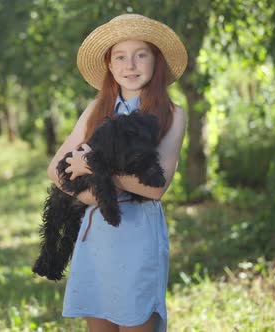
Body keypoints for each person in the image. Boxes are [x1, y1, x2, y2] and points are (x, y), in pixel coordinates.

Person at [46, 14, 187, 332]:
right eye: (120, 57)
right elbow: (55, 169)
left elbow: (154, 187)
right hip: (96, 236)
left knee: (137, 319)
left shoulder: (172, 115)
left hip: (138, 239)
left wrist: (97, 168)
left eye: (141, 55)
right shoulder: (96, 110)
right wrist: (91, 196)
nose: (131, 65)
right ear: (109, 65)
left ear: (156, 60)